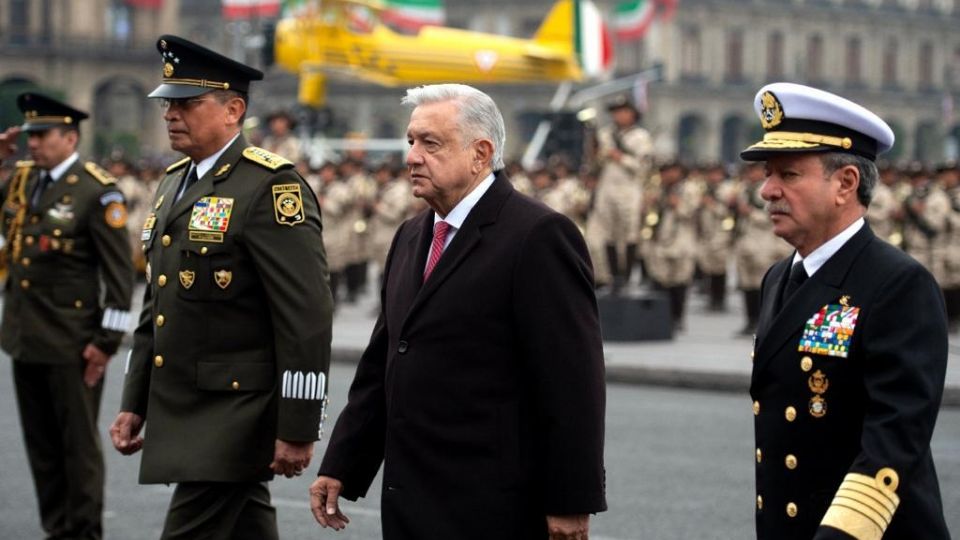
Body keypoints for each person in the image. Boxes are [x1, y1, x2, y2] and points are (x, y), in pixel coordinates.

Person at [309, 84, 606, 540]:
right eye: (411, 141)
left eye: (431, 143)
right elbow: (385, 360)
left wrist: (570, 500)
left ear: (480, 153)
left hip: (495, 504)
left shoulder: (539, 235)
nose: (411, 156)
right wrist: (344, 461)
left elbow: (572, 382)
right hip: (412, 500)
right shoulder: (411, 235)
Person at [108, 34, 333, 540]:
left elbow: (306, 315)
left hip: (234, 415)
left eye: (187, 103)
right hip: (189, 406)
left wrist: (297, 425)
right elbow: (157, 300)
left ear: (233, 110)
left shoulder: (270, 186)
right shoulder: (173, 182)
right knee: (246, 526)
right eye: (168, 103)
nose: (171, 114)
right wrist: (134, 398)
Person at [743, 82, 950, 540]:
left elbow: (893, 441)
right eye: (767, 174)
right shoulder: (778, 277)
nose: (767, 191)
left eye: (789, 175)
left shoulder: (898, 284)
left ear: (845, 183)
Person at [0, 93, 134, 540]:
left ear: (70, 137)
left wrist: (105, 344)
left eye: (42, 135)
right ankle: (56, 529)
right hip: (25, 337)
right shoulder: (22, 182)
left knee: (76, 449)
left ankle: (83, 532)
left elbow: (119, 281)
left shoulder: (96, 190)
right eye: (30, 135)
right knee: (41, 448)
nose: (33, 144)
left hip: (73, 343)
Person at [587, 95, 653, 293]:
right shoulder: (606, 134)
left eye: (623, 111)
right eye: (616, 112)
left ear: (632, 114)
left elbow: (643, 167)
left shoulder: (641, 137)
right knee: (609, 232)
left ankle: (626, 275)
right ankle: (614, 275)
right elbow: (595, 163)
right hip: (607, 187)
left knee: (629, 232)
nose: (619, 116)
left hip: (629, 188)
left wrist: (620, 157)